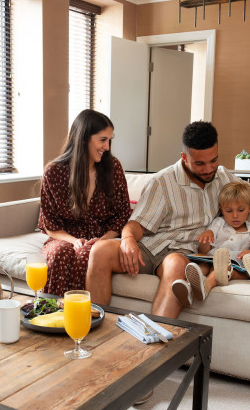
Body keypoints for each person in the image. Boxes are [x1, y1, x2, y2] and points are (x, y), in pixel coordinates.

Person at [85, 121, 239, 320]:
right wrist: (128, 240)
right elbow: (136, 225)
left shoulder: (223, 177)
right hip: (149, 248)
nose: (208, 169)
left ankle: (154, 340)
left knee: (175, 264)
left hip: (183, 253)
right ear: (184, 157)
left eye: (213, 160)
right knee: (100, 250)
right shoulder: (162, 182)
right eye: (200, 163)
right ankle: (92, 329)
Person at [37, 109, 131, 296]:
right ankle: (52, 313)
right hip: (63, 237)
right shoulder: (54, 172)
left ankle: (80, 316)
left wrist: (101, 241)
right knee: (59, 254)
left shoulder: (113, 168)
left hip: (102, 238)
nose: (107, 147)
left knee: (85, 255)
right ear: (83, 139)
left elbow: (122, 215)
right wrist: (74, 241)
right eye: (102, 140)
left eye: (110, 140)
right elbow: (50, 224)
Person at [171, 180, 250, 307]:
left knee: (218, 268)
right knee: (202, 266)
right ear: (221, 209)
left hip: (234, 265)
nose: (235, 215)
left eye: (241, 210)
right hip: (211, 258)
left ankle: (206, 286)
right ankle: (188, 289)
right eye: (229, 211)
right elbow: (204, 251)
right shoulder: (218, 223)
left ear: (249, 208)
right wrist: (206, 237)